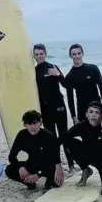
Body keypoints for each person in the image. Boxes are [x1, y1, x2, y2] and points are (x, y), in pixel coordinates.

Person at [60, 101, 102, 197]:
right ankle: (86, 170)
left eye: (97, 112)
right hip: (89, 155)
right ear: (87, 114)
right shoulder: (82, 125)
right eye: (91, 112)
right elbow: (64, 137)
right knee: (68, 141)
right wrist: (57, 164)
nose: (93, 115)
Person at [33, 43, 74, 172]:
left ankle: (71, 165)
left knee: (64, 136)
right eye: (37, 54)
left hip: (58, 107)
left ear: (45, 54)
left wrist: (59, 75)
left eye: (41, 54)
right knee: (51, 139)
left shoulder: (53, 67)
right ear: (34, 56)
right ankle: (58, 166)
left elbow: (67, 85)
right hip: (45, 110)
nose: (39, 56)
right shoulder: (33, 72)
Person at [5, 110, 64, 190]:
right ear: (25, 125)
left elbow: (55, 158)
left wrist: (38, 174)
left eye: (35, 123)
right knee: (9, 169)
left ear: (40, 123)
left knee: (54, 184)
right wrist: (20, 168)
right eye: (29, 124)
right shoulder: (21, 135)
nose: (33, 126)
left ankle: (48, 182)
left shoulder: (48, 136)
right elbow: (11, 156)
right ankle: (29, 183)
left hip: (48, 164)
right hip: (33, 162)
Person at [63, 44, 102, 123]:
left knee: (100, 133)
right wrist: (73, 116)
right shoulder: (70, 76)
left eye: (79, 53)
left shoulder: (93, 69)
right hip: (82, 110)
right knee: (86, 134)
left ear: (82, 54)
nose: (77, 56)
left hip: (96, 107)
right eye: (74, 54)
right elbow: (70, 98)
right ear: (70, 56)